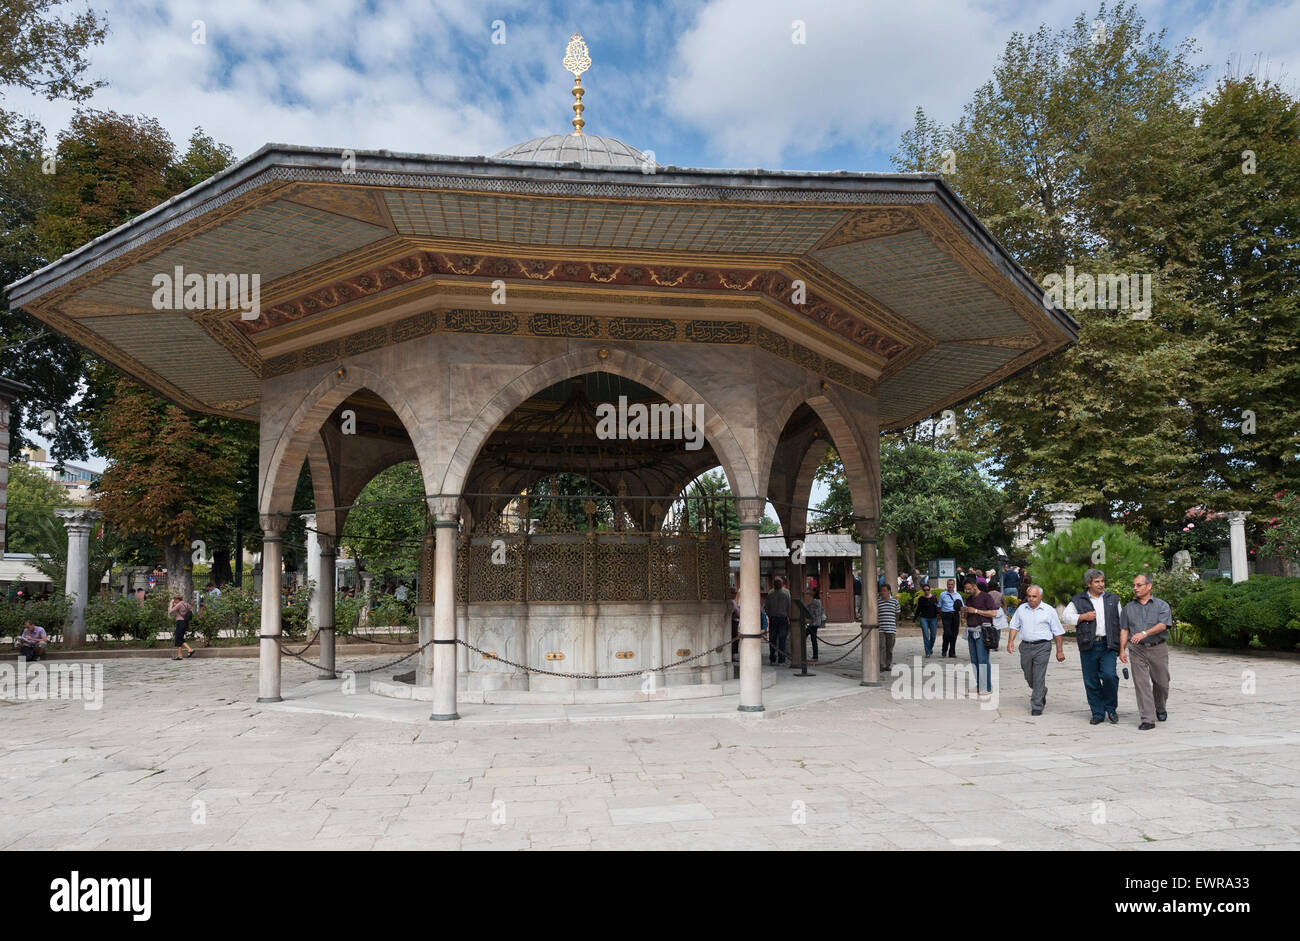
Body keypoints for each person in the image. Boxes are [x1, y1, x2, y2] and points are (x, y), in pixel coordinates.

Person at [1063, 569, 1122, 725]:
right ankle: (1097, 712)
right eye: (1097, 581)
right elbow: (1066, 616)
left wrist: (1121, 647)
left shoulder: (1112, 599)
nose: (1101, 584)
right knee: (1091, 680)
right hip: (1088, 644)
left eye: (1102, 581)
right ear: (1089, 583)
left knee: (1110, 676)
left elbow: (1121, 621)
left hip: (1108, 645)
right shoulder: (1078, 600)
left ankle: (1111, 708)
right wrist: (1083, 617)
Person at [1120, 574, 1173, 731]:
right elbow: (1124, 629)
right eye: (1134, 585)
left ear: (1148, 586)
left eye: (1138, 585)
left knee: (1162, 683)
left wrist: (1144, 633)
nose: (1135, 588)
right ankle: (1147, 719)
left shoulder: (1162, 605)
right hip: (1137, 650)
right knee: (1141, 684)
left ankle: (1160, 707)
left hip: (1158, 647)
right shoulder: (1128, 608)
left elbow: (1163, 625)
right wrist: (1122, 649)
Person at [1006, 585, 1065, 715]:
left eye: (1034, 596)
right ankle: (1041, 690)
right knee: (1028, 675)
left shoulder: (1049, 611)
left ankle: (1037, 706)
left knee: (1039, 675)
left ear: (1040, 597)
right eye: (1029, 596)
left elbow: (1058, 632)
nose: (1031, 599)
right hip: (1025, 646)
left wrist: (1059, 650)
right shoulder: (1022, 609)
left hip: (1042, 647)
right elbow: (1014, 625)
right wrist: (1010, 642)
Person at [963, 581, 997, 696]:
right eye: (966, 589)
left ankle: (986, 687)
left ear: (975, 586)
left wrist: (976, 611)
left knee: (983, 660)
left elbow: (993, 613)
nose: (967, 591)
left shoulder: (986, 597)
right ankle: (979, 685)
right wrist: (965, 612)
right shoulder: (969, 599)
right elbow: (966, 616)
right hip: (970, 631)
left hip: (982, 631)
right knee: (974, 660)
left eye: (969, 589)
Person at [764, 576, 791, 665]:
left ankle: (772, 658)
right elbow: (789, 608)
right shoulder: (786, 595)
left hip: (773, 619)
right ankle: (781, 660)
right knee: (782, 640)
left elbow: (766, 608)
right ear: (781, 585)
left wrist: (769, 614)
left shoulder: (770, 595)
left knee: (772, 639)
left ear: (774, 585)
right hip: (783, 619)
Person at [938, 578, 964, 658]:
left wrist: (962, 617)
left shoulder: (958, 595)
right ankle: (944, 649)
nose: (950, 586)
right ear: (947, 585)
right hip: (946, 614)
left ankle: (952, 652)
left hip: (955, 615)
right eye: (949, 584)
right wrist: (941, 615)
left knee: (954, 634)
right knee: (947, 632)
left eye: (952, 584)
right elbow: (939, 606)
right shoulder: (942, 594)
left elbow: (962, 607)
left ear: (954, 585)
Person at [877, 583, 900, 670]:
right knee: (882, 647)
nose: (882, 592)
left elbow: (897, 614)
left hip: (891, 629)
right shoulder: (878, 602)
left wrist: (894, 623)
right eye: (881, 591)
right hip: (881, 629)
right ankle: (882, 665)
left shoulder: (895, 602)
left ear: (889, 591)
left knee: (889, 649)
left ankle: (887, 664)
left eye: (884, 591)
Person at [916, 582, 939, 657]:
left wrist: (939, 615)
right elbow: (918, 609)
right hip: (924, 618)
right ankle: (927, 652)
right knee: (926, 635)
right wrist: (915, 618)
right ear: (923, 590)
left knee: (933, 635)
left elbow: (937, 607)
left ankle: (929, 648)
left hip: (933, 618)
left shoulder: (934, 597)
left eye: (928, 589)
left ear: (930, 590)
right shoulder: (921, 599)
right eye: (925, 590)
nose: (926, 591)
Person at [168, 594, 194, 660]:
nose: (174, 601)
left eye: (174, 600)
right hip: (185, 622)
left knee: (178, 638)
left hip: (180, 622)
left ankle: (189, 649)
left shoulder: (179, 604)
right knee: (179, 638)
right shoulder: (186, 604)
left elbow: (170, 612)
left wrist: (171, 604)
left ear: (177, 599)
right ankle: (180, 656)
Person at [806, 588, 825, 662]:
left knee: (812, 639)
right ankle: (815, 656)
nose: (810, 592)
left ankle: (815, 656)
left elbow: (809, 611)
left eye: (811, 591)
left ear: (814, 592)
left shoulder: (815, 601)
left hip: (814, 623)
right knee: (812, 638)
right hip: (815, 622)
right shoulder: (817, 600)